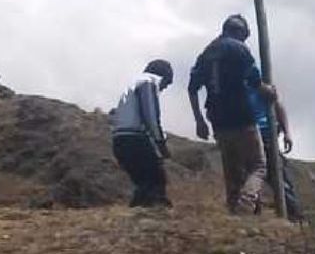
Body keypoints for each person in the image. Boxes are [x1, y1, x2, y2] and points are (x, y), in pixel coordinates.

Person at [189, 15, 267, 214]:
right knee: (258, 166)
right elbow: (255, 81)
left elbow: (192, 88)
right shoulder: (239, 49)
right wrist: (267, 90)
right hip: (242, 115)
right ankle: (246, 202)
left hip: (217, 118)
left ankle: (235, 211)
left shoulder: (206, 53)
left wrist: (199, 120)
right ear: (239, 32)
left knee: (232, 170)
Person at [109, 58, 175, 207]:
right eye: (167, 84)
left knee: (143, 183)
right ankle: (152, 217)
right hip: (134, 140)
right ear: (163, 76)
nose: (164, 88)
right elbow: (150, 116)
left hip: (119, 140)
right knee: (157, 180)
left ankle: (137, 213)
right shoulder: (149, 82)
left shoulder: (133, 84)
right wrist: (161, 143)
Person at [253, 81, 303, 221]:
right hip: (247, 134)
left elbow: (277, 104)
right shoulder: (233, 81)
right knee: (251, 178)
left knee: (278, 176)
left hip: (266, 135)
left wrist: (287, 132)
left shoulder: (258, 80)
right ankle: (254, 215)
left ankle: (294, 217)